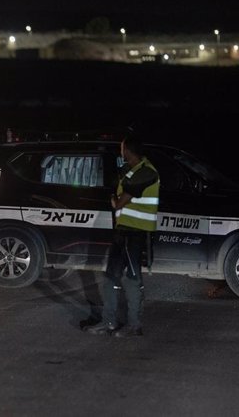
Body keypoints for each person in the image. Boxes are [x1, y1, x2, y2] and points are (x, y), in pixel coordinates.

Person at [84, 135, 160, 337]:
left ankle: (134, 325)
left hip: (135, 234)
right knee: (110, 277)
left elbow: (119, 203)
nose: (120, 151)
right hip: (123, 233)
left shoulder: (146, 172)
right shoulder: (133, 171)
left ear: (127, 150)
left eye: (121, 148)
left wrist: (114, 199)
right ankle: (109, 322)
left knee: (132, 279)